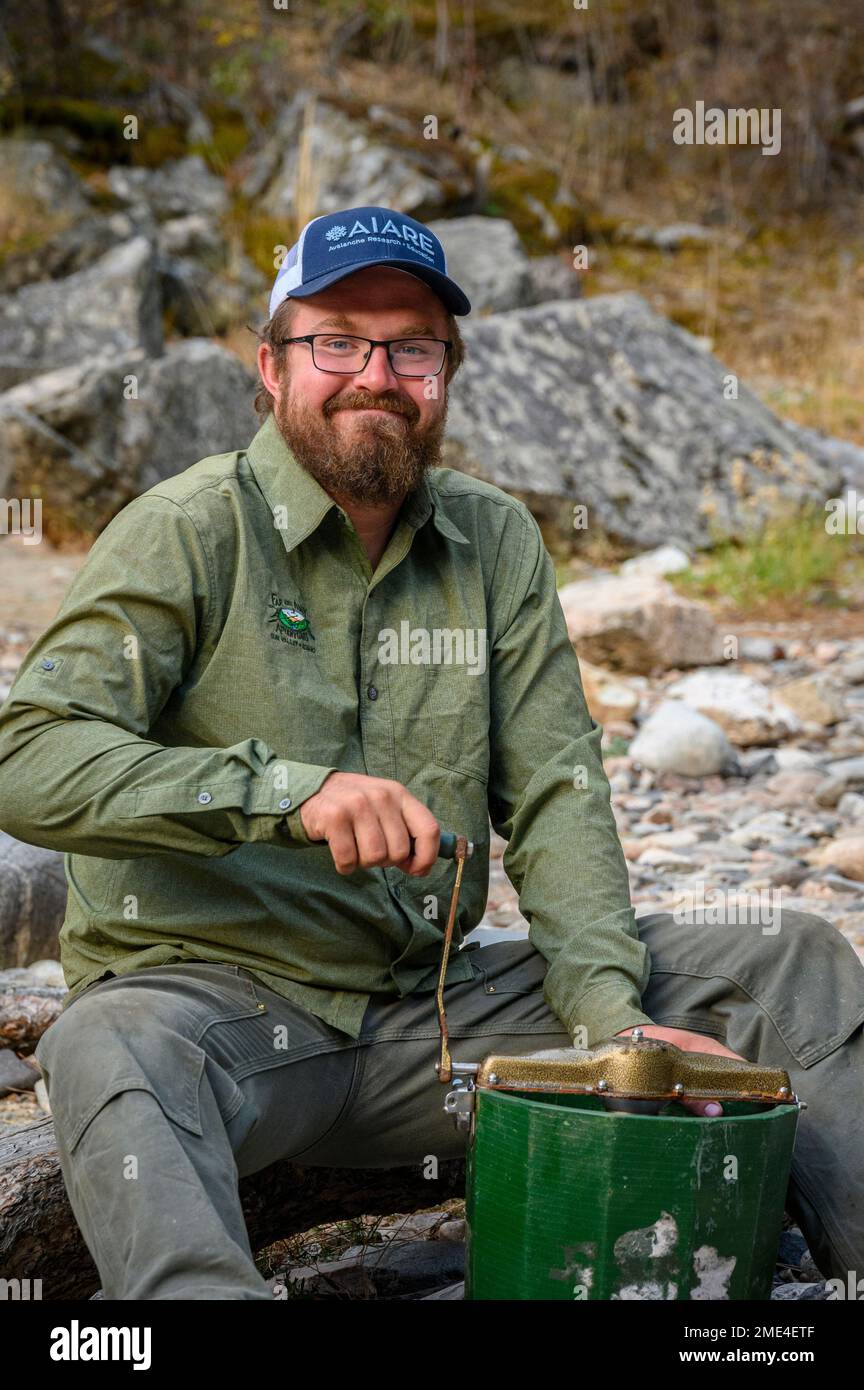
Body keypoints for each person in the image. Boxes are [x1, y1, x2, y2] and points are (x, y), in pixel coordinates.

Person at [0, 205, 861, 1300]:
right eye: (337, 342)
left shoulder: (494, 539)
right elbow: (28, 756)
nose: (377, 374)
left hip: (443, 1025)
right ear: (270, 368)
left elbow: (556, 793)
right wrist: (285, 794)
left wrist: (609, 1018)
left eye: (412, 347)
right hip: (225, 1028)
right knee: (100, 1042)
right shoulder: (185, 530)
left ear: (445, 370)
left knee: (784, 956)